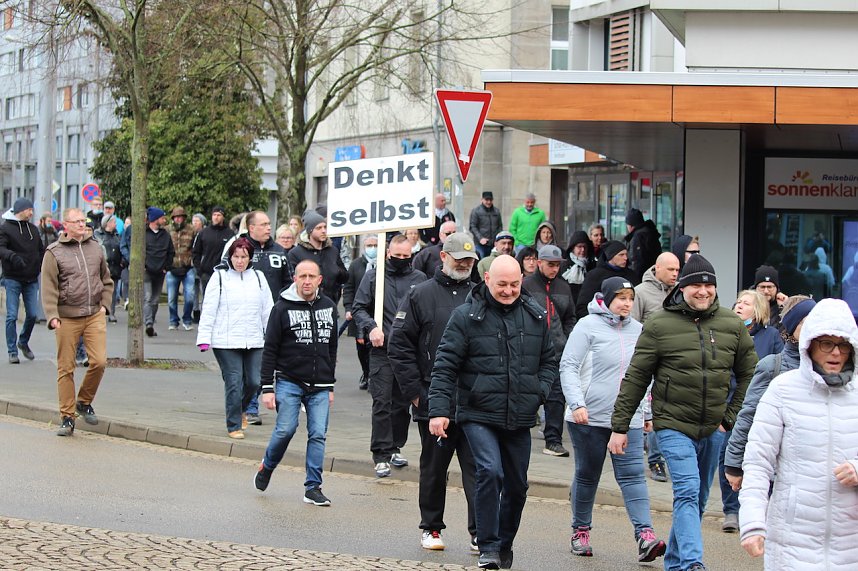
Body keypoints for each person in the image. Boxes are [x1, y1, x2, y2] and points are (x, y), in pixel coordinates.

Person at [608, 254, 758, 571]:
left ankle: (675, 561)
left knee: (698, 499)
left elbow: (749, 374)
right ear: (683, 287)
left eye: (709, 285)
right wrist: (620, 427)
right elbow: (637, 376)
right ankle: (692, 563)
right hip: (672, 425)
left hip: (714, 428)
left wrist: (729, 417)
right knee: (687, 492)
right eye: (696, 286)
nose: (703, 291)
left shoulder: (731, 324)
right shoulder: (660, 323)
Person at [429, 255, 554, 570]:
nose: (509, 290)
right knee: (490, 470)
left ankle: (503, 545)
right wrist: (439, 411)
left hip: (519, 415)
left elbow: (550, 361)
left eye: (514, 284)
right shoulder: (466, 316)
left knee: (517, 486)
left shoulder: (536, 315)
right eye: (502, 284)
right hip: (477, 411)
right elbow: (444, 366)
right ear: (487, 280)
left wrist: (539, 391)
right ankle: (486, 547)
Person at [739, 298, 858, 569]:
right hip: (792, 540)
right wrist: (753, 521)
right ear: (809, 345)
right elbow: (758, 462)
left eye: (843, 345)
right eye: (826, 343)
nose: (836, 353)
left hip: (851, 544)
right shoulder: (783, 390)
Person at [561, 277, 666, 562]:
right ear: (606, 298)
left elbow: (645, 376)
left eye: (630, 298)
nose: (626, 303)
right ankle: (580, 531)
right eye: (620, 297)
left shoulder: (640, 331)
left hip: (627, 418)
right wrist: (576, 403)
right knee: (587, 474)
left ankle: (645, 536)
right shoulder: (587, 326)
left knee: (633, 476)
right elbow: (568, 365)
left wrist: (645, 412)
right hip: (588, 418)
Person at [388, 232, 478, 552]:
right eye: (459, 260)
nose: (466, 265)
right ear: (443, 257)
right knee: (434, 469)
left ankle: (479, 531)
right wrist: (414, 392)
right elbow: (399, 346)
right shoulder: (420, 294)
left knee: (478, 469)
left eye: (470, 261)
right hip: (431, 398)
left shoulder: (479, 295)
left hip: (472, 400)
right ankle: (431, 528)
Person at [254, 259, 338, 506]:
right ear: (295, 279)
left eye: (312, 276)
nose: (307, 281)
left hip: (320, 385)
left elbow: (331, 349)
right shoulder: (281, 309)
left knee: (318, 434)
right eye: (303, 276)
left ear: (319, 280)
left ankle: (313, 487)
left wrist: (330, 384)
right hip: (289, 380)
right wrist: (267, 388)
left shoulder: (330, 307)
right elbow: (270, 350)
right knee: (286, 429)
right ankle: (267, 466)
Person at [352, 234, 427, 478]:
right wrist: (371, 327)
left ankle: (395, 445)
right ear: (388, 254)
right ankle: (381, 453)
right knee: (382, 401)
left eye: (407, 256)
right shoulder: (373, 276)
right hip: (382, 350)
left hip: (408, 352)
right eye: (398, 256)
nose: (402, 260)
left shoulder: (419, 279)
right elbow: (359, 307)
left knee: (402, 403)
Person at [41, 207, 114, 436]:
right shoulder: (54, 252)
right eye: (77, 222)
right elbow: (48, 287)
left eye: (84, 221)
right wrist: (52, 315)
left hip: (93, 313)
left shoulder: (95, 248)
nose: (83, 225)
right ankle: (67, 417)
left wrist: (104, 305)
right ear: (66, 225)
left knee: (99, 361)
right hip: (66, 317)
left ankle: (83, 402)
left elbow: (106, 279)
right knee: (66, 367)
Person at [716, 289, 782, 533]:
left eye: (746, 303)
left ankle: (764, 510)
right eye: (738, 302)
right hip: (731, 408)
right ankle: (731, 511)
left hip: (762, 409)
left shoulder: (772, 336)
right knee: (728, 457)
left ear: (759, 310)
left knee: (764, 460)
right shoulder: (725, 332)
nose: (739, 305)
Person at [196, 237, 273, 439]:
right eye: (236, 256)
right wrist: (204, 337)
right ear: (230, 257)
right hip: (225, 341)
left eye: (244, 257)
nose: (240, 261)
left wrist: (273, 337)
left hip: (255, 339)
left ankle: (241, 409)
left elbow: (268, 310)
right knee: (234, 381)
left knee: (254, 382)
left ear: (250, 258)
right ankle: (233, 424)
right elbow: (209, 309)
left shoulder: (258, 278)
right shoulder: (220, 277)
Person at [631, 251, 680, 483]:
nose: (675, 274)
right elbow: (631, 327)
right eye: (671, 270)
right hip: (650, 362)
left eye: (677, 270)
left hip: (677, 362)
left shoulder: (681, 292)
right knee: (653, 411)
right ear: (657, 268)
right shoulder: (640, 292)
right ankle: (656, 461)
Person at [523, 244, 576, 457]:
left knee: (556, 397)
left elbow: (570, 317)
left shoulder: (564, 287)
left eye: (557, 265)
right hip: (529, 351)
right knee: (528, 395)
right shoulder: (526, 285)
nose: (554, 269)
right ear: (539, 263)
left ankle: (553, 440)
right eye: (550, 265)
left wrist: (567, 338)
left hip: (557, 352)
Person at [0, 198, 45, 363]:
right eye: (29, 210)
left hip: (31, 278)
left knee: (32, 314)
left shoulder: (33, 229)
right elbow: (1, 248)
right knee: (11, 315)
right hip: (13, 278)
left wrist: (39, 265)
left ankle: (23, 342)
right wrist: (12, 257)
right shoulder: (5, 228)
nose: (31, 213)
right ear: (20, 210)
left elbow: (41, 250)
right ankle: (12, 351)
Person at [286, 210, 348, 304]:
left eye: (325, 227)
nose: (323, 231)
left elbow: (344, 277)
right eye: (319, 228)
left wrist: (336, 271)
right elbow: (290, 282)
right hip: (303, 305)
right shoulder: (295, 253)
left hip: (330, 304)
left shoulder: (332, 250)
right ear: (310, 231)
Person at [342, 235, 377, 391]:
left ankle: (373, 376)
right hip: (359, 310)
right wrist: (348, 307)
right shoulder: (356, 265)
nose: (372, 248)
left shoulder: (383, 265)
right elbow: (349, 288)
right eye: (369, 245)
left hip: (377, 311)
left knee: (374, 346)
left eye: (375, 245)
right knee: (361, 346)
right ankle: (366, 372)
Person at [574, 240, 639, 319]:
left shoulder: (631, 275)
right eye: (621, 255)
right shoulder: (595, 276)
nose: (625, 258)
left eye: (626, 254)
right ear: (610, 256)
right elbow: (583, 306)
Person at [192, 206, 234, 308]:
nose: (216, 217)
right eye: (214, 215)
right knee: (207, 300)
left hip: (224, 273)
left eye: (219, 215)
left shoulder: (230, 234)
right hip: (206, 273)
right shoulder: (204, 233)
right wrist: (199, 270)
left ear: (223, 217)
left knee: (222, 301)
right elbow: (196, 252)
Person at [142, 207, 174, 337]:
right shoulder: (144, 234)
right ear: (155, 219)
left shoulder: (165, 234)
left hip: (160, 272)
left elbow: (171, 252)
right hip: (147, 271)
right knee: (148, 297)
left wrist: (167, 266)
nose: (164, 220)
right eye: (162, 217)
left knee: (155, 300)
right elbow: (139, 251)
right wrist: (142, 266)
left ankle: (151, 323)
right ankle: (148, 323)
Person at [166, 207, 196, 331]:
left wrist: (193, 261)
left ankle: (187, 319)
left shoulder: (192, 230)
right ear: (173, 218)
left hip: (188, 267)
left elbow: (196, 247)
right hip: (172, 267)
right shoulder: (167, 230)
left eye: (180, 216)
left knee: (190, 297)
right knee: (171, 298)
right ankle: (173, 320)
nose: (178, 219)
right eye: (176, 217)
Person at [93, 214, 123, 322]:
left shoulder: (116, 235)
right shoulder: (97, 234)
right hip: (102, 267)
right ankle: (98, 311)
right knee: (99, 290)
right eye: (114, 222)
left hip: (114, 267)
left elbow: (121, 248)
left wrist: (122, 261)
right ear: (107, 223)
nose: (115, 224)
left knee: (113, 291)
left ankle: (111, 313)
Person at [624, 208, 662, 281]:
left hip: (641, 279)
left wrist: (633, 280)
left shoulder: (638, 237)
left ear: (631, 225)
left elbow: (636, 262)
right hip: (652, 275)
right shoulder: (650, 233)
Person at [562, 231, 595, 305]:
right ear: (573, 248)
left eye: (585, 247)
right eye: (579, 247)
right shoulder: (564, 266)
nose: (582, 250)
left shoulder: (593, 266)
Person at [469, 191, 503, 259]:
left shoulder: (496, 211)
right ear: (482, 200)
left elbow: (500, 226)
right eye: (486, 200)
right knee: (480, 261)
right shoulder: (476, 211)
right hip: (480, 244)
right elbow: (472, 227)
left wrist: (498, 239)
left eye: (490, 200)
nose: (489, 202)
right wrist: (480, 238)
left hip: (493, 244)